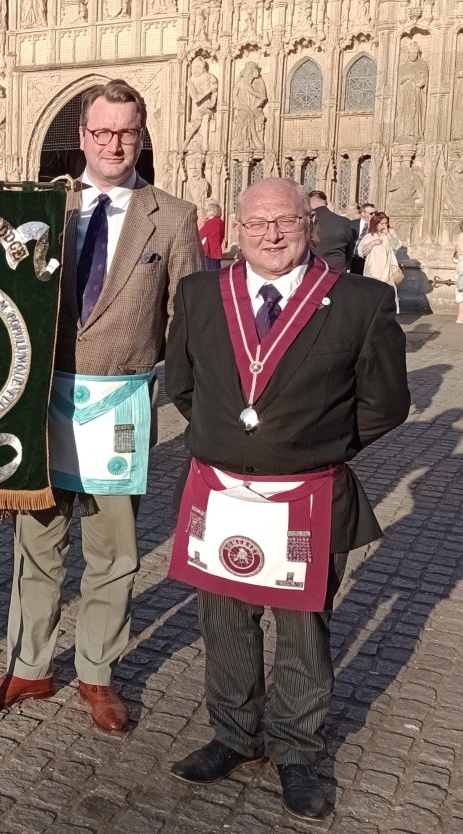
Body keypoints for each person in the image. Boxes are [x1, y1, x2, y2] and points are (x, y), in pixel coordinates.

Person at [165, 177, 409, 822]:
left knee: (302, 628)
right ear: (237, 229)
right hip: (222, 492)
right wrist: (229, 441)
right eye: (256, 223)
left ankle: (296, 751)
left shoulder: (359, 301)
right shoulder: (200, 294)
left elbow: (386, 403)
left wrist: (313, 446)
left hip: (307, 495)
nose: (270, 235)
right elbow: (183, 386)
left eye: (286, 222)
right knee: (225, 621)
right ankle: (233, 734)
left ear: (310, 224)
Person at [0, 79, 204, 732]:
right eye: (102, 132)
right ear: (83, 136)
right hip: (42, 403)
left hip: (119, 407)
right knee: (37, 542)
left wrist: (178, 392)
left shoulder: (173, 216)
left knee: (113, 549)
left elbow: (188, 318)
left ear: (141, 136)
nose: (113, 144)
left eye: (126, 132)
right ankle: (29, 666)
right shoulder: (47, 208)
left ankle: (98, 672)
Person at [357, 211, 402, 313]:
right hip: (373, 271)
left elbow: (396, 246)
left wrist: (388, 234)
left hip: (387, 270)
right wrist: (372, 243)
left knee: (388, 294)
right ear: (375, 224)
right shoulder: (369, 236)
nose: (384, 226)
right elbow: (361, 252)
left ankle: (388, 314)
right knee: (373, 295)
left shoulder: (389, 234)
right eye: (381, 223)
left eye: (386, 223)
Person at [307, 190, 356, 272]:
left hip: (314, 269)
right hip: (338, 270)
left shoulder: (307, 221)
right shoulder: (345, 221)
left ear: (309, 203)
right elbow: (350, 250)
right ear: (326, 203)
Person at [349, 202, 375, 275]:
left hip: (367, 261)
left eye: (375, 213)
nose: (374, 215)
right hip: (352, 260)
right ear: (363, 213)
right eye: (371, 213)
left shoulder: (375, 227)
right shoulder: (351, 224)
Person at [199, 198, 225, 269]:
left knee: (209, 273)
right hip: (216, 253)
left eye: (207, 210)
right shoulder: (220, 222)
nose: (206, 212)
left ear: (212, 211)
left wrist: (203, 222)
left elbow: (200, 234)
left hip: (210, 253)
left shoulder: (212, 222)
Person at [453, 220, 463, 325]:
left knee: (461, 291)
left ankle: (460, 317)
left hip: (460, 267)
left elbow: (455, 256)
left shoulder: (460, 236)